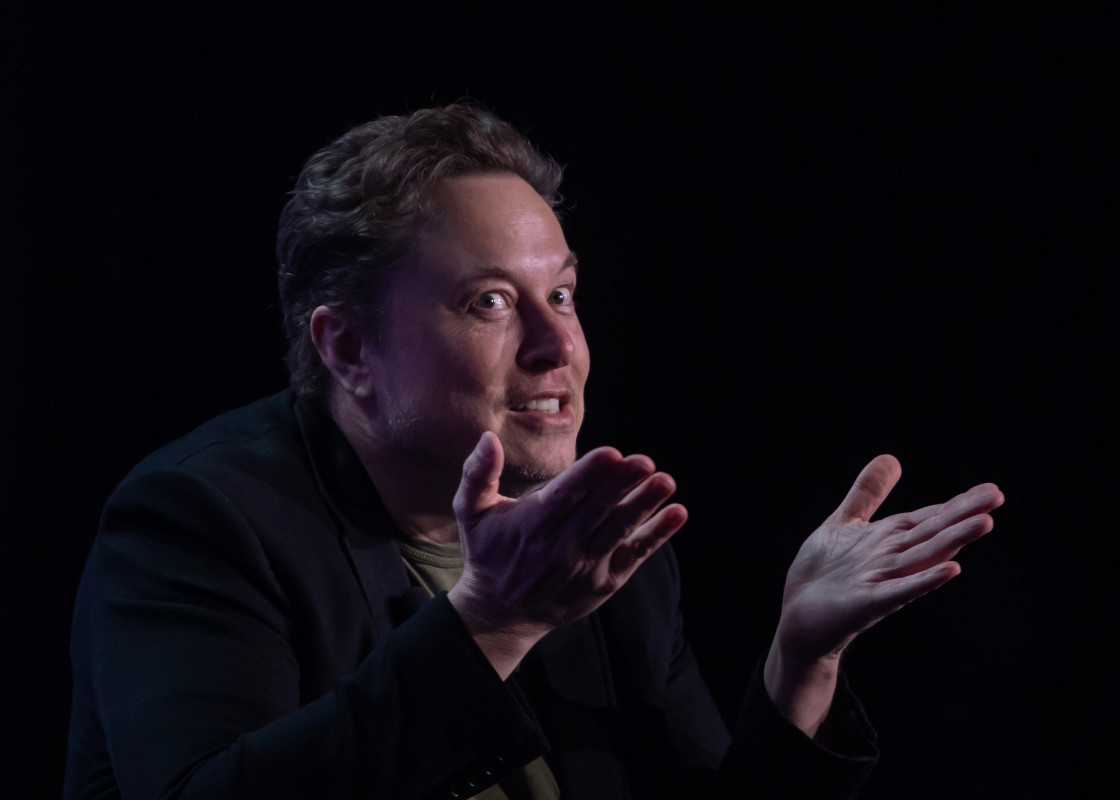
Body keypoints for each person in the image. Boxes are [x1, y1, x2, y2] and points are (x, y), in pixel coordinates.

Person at [65, 104, 1004, 799]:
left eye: (561, 295)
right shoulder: (199, 519)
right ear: (348, 349)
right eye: (490, 302)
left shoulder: (604, 544)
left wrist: (803, 660)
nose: (559, 348)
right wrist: (492, 621)